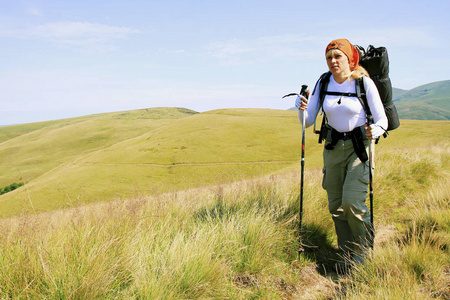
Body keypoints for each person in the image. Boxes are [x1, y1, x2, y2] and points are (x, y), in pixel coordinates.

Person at [295, 38, 387, 266]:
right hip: (333, 147)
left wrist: (375, 129)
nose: (333, 61)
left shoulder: (364, 84)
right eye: (329, 57)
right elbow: (307, 122)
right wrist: (301, 107)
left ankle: (363, 252)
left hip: (359, 148)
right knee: (335, 205)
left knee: (352, 203)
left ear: (350, 59)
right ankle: (347, 253)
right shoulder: (324, 82)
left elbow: (382, 119)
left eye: (338, 57)